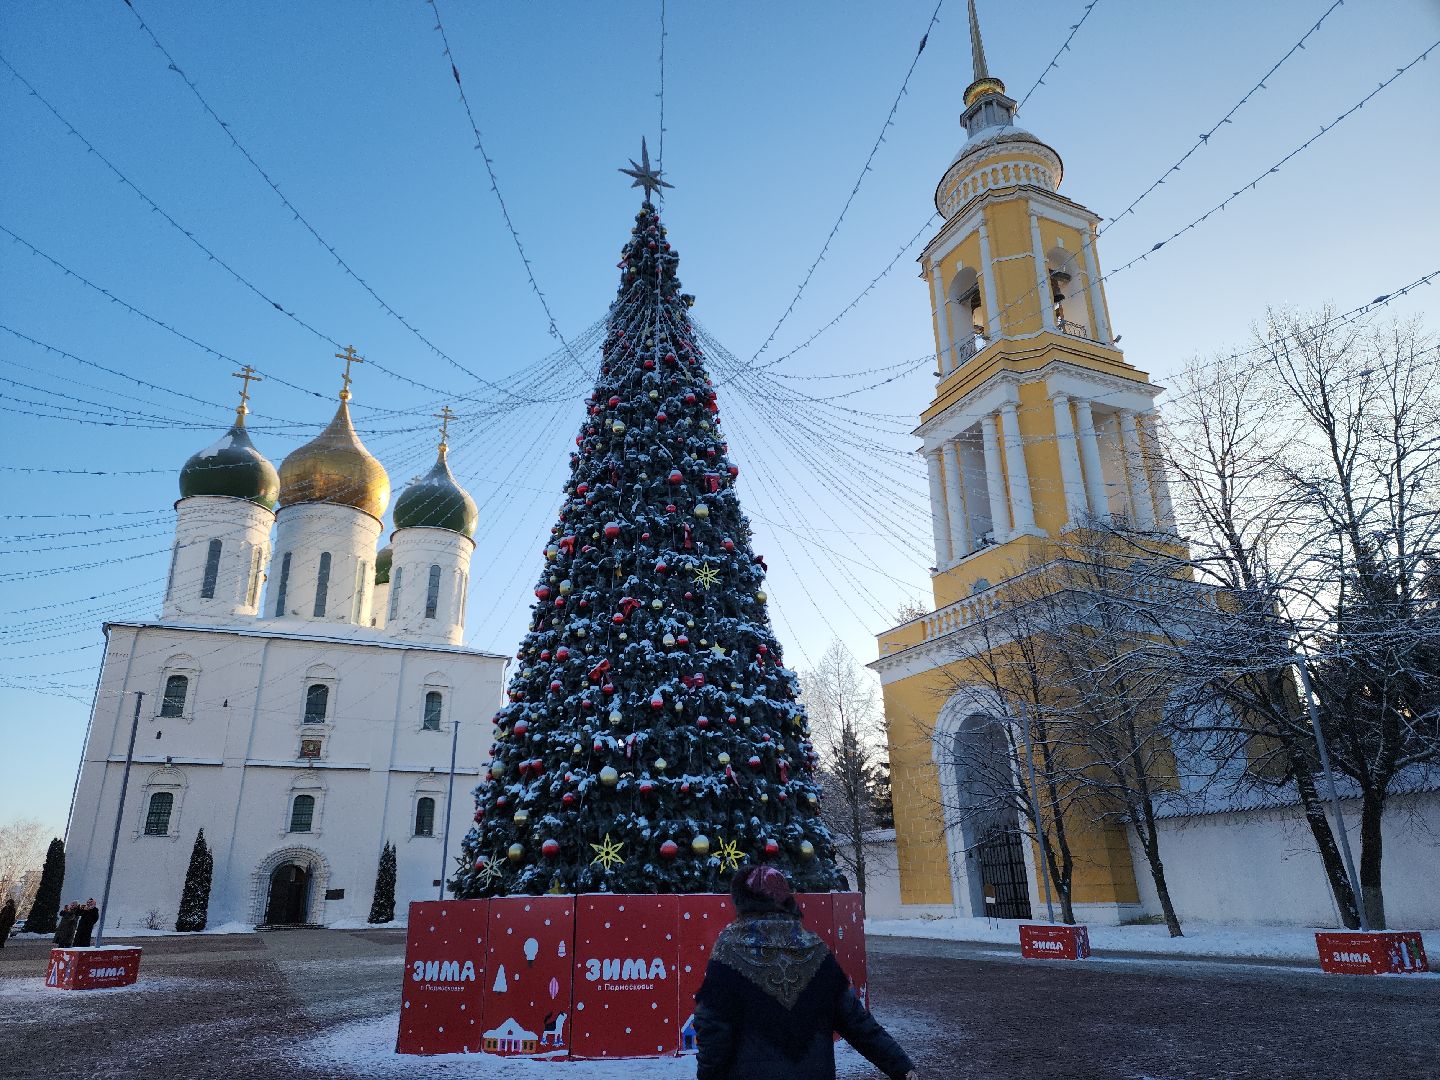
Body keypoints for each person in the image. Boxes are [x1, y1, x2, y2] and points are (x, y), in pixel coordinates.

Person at [694, 866, 917, 1080]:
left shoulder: (730, 949)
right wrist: (901, 1067)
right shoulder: (815, 949)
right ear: (787, 901)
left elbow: (713, 1027)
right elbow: (856, 1021)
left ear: (742, 902)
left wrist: (709, 1075)